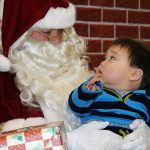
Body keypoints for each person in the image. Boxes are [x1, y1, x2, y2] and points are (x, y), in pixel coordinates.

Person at [0, 0, 122, 150]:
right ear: (21, 35)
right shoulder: (4, 85)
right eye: (46, 32)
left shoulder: (83, 68)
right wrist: (68, 141)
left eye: (62, 31)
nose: (57, 39)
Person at [68, 38, 150, 137]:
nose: (102, 63)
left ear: (134, 74)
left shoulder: (145, 102)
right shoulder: (96, 91)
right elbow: (76, 107)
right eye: (104, 58)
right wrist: (86, 91)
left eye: (112, 58)